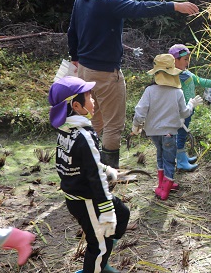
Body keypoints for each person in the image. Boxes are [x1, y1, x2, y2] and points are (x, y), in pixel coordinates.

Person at [68, 0, 199, 169]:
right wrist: (174, 6)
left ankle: (87, 165)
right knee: (113, 125)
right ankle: (109, 174)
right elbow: (139, 8)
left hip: (84, 70)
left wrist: (75, 56)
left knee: (95, 119)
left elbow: (72, 30)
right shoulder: (108, 0)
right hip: (106, 73)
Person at [48, 76, 130, 273]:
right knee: (98, 245)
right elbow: (96, 179)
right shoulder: (83, 135)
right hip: (87, 199)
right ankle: (96, 264)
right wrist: (107, 210)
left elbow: (79, 163)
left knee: (123, 213)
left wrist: (104, 168)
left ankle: (102, 260)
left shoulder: (65, 130)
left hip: (77, 196)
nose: (93, 101)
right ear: (76, 105)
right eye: (89, 97)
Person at [131, 54, 203, 200]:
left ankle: (162, 184)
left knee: (160, 156)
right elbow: (184, 112)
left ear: (157, 73)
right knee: (169, 160)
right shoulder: (178, 92)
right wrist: (191, 104)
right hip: (169, 133)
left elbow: (140, 111)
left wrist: (136, 126)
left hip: (153, 133)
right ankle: (165, 190)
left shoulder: (150, 91)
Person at [169, 44, 211, 171]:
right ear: (175, 60)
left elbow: (199, 80)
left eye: (188, 59)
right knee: (181, 134)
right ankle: (181, 161)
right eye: (185, 59)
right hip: (180, 112)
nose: (187, 62)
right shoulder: (173, 76)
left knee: (183, 134)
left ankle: (182, 156)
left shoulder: (186, 73)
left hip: (189, 109)